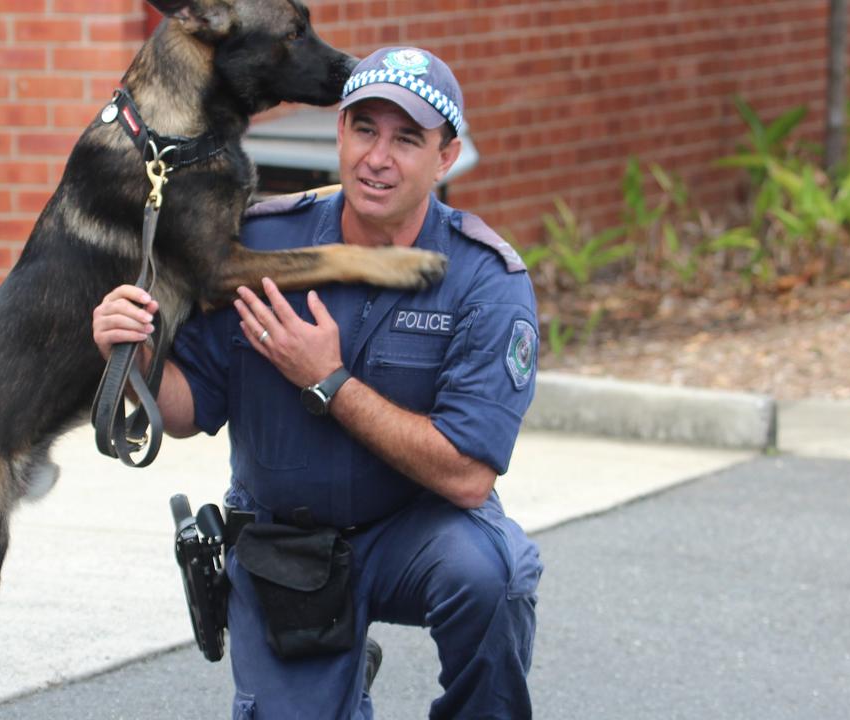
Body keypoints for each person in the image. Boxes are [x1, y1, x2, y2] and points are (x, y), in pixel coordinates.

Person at [93, 47, 542, 719]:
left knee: (492, 575)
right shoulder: (262, 246)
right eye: (364, 130)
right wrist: (127, 359)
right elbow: (188, 408)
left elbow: (468, 475)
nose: (377, 157)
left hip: (412, 535)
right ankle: (336, 673)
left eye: (407, 139)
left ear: (445, 157)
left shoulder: (484, 281)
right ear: (340, 133)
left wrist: (329, 379)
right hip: (286, 546)